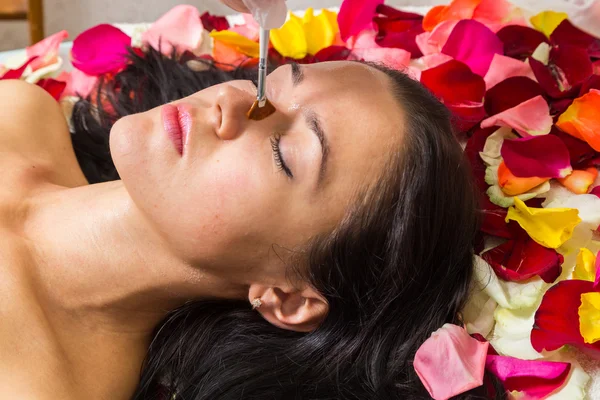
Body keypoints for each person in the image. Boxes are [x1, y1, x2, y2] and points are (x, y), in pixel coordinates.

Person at [0, 13, 504, 400]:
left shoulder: (36, 384)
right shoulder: (21, 114)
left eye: (285, 155)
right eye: (273, 85)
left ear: (289, 298)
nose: (233, 105)